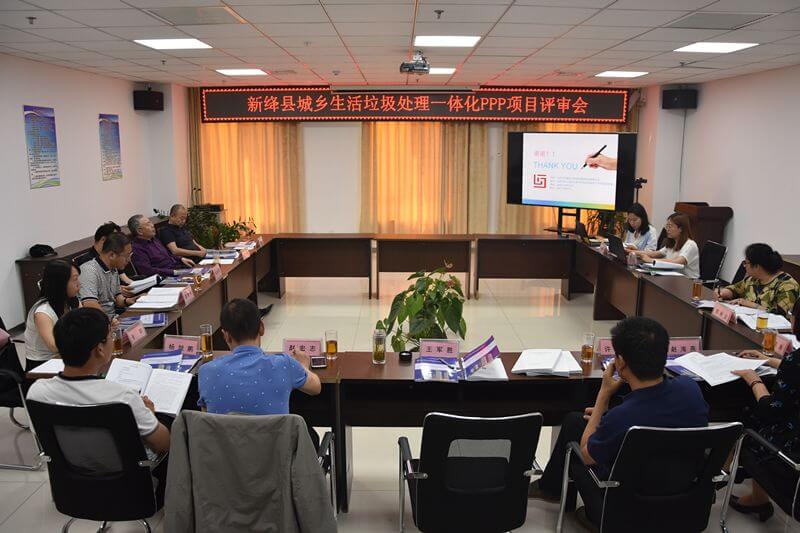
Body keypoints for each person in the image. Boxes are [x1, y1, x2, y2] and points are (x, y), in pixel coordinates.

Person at [528, 317, 708, 529]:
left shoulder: (622, 417)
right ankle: (551, 488)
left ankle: (591, 514)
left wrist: (603, 396)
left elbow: (585, 454)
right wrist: (606, 417)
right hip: (683, 497)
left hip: (626, 509)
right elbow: (654, 412)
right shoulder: (690, 389)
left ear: (621, 363)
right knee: (575, 422)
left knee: (575, 449)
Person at [27, 307, 170, 506]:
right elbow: (164, 444)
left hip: (72, 485)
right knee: (173, 425)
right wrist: (150, 414)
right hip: (127, 482)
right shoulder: (123, 397)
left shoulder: (37, 393)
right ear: (99, 349)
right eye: (110, 336)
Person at [198, 299, 321, 442]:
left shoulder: (206, 372)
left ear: (226, 335)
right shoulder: (284, 364)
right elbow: (316, 387)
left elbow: (206, 418)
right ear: (262, 328)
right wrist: (303, 365)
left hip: (224, 455)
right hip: (276, 454)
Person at [728, 298, 800, 522]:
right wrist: (768, 360)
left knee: (749, 418)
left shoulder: (795, 360)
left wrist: (754, 380)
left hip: (791, 454)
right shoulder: (794, 361)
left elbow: (770, 410)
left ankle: (724, 475)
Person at [23, 260, 81, 371]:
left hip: (66, 356)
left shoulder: (72, 301)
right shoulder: (42, 312)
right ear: (60, 283)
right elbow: (54, 346)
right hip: (43, 365)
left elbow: (85, 324)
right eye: (74, 279)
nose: (79, 284)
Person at [715, 243, 799, 316]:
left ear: (757, 266)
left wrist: (751, 305)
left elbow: (780, 314)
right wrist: (723, 293)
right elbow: (735, 289)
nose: (744, 266)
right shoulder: (753, 279)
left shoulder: (787, 285)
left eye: (746, 263)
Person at [78, 232, 138, 319]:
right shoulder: (89, 270)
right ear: (112, 255)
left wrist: (128, 301)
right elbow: (90, 304)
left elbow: (117, 297)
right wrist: (109, 321)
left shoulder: (113, 268)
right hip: (100, 321)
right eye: (127, 256)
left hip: (114, 317)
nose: (129, 260)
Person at [634, 212, 700, 279]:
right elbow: (654, 254)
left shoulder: (690, 245)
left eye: (670, 226)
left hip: (688, 281)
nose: (667, 229)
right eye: (667, 226)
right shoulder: (672, 243)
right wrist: (632, 252)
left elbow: (677, 262)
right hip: (673, 279)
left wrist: (651, 260)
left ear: (680, 229)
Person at [128, 214, 193, 277]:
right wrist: (174, 272)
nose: (152, 225)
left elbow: (168, 254)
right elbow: (148, 271)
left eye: (151, 222)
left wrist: (181, 259)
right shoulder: (137, 248)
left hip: (177, 268)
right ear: (139, 231)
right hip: (165, 277)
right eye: (148, 224)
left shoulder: (154, 239)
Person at [73, 222, 134, 288]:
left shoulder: (115, 258)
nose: (119, 241)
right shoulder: (86, 263)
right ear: (103, 239)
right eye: (115, 237)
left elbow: (126, 280)